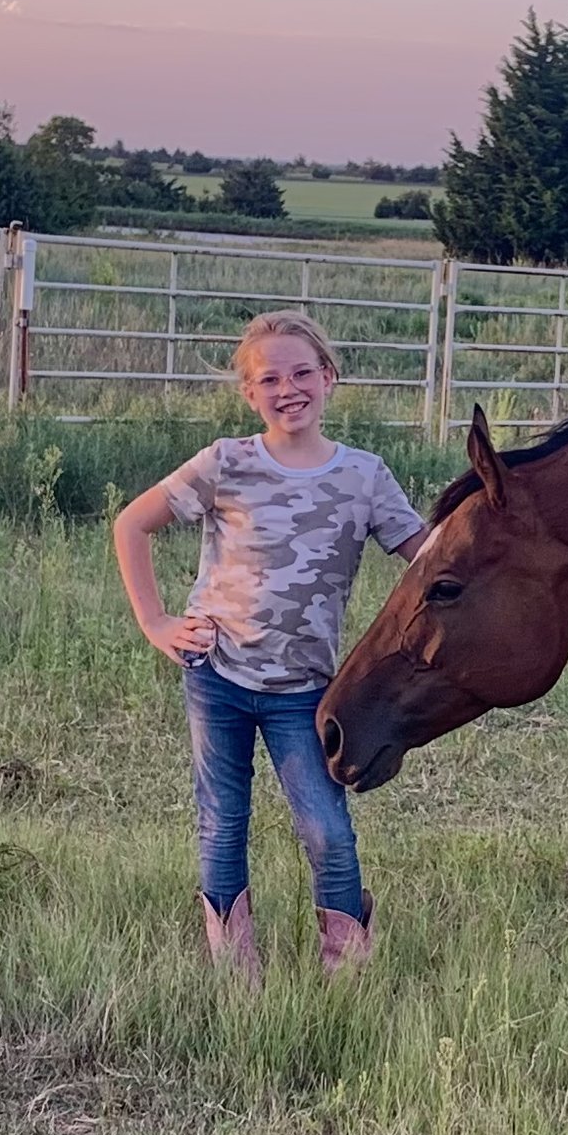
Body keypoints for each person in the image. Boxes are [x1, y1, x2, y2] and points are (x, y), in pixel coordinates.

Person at [111, 309, 425, 984]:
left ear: (329, 377)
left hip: (305, 692)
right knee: (223, 824)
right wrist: (157, 621)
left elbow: (426, 558)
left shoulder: (364, 477)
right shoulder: (227, 462)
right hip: (216, 676)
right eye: (269, 378)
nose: (289, 389)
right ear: (250, 393)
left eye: (302, 372)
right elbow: (132, 524)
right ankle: (236, 979)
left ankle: (348, 979)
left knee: (327, 831)